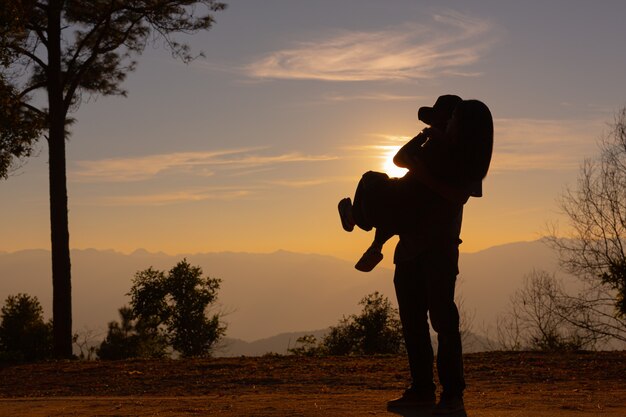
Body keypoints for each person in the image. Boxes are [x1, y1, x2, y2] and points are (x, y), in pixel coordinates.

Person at [387, 99, 493, 415]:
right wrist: (425, 136)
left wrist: (421, 173)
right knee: (413, 322)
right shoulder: (432, 148)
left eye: (449, 119)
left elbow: (460, 195)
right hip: (410, 246)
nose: (445, 124)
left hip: (439, 247)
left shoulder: (466, 158)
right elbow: (399, 159)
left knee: (442, 320)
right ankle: (421, 389)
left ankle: (452, 393)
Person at [338, 95, 464, 272]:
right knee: (394, 203)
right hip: (415, 216)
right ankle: (376, 242)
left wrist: (424, 135)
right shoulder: (461, 155)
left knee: (370, 177)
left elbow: (398, 159)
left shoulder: (435, 148)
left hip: (411, 215)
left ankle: (353, 218)